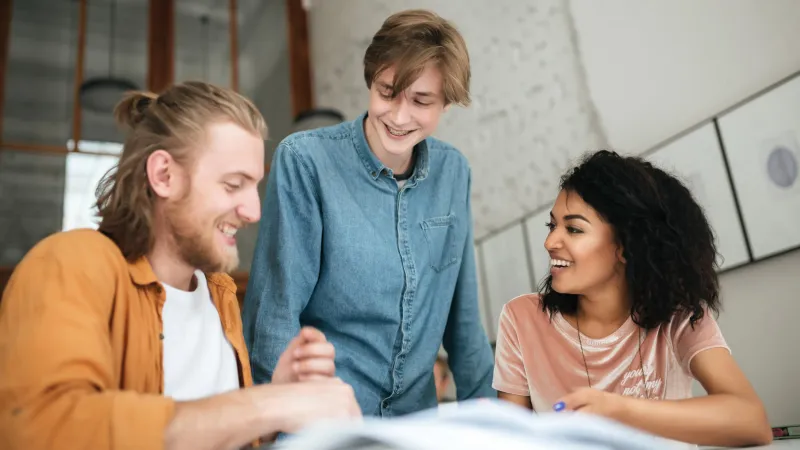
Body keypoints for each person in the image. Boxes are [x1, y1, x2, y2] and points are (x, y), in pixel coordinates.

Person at [0, 81, 360, 450]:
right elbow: (42, 429)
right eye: (233, 184)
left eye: (253, 187)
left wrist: (277, 402)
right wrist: (266, 405)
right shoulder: (70, 264)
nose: (253, 211)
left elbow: (217, 428)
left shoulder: (219, 293)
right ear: (164, 176)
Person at [243, 9, 495, 417]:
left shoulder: (454, 172)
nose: (398, 116)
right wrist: (278, 427)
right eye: (387, 91)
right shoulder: (306, 161)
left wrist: (492, 422)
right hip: (325, 421)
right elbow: (275, 316)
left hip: (417, 423)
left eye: (421, 101)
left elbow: (463, 321)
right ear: (371, 80)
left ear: (446, 104)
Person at [493, 150, 772, 448]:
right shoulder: (521, 318)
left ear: (627, 246)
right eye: (552, 226)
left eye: (573, 229)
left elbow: (751, 422)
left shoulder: (681, 317)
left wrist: (617, 409)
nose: (550, 242)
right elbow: (511, 442)